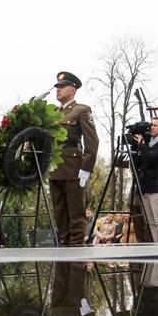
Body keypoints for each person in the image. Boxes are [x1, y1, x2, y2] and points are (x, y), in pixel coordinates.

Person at [46, 71, 99, 246]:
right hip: (54, 168)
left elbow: (92, 141)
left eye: (62, 86)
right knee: (59, 213)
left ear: (73, 89)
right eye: (57, 87)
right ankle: (64, 247)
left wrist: (86, 168)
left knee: (76, 214)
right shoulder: (52, 113)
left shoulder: (81, 110)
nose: (58, 89)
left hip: (73, 168)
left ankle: (76, 252)